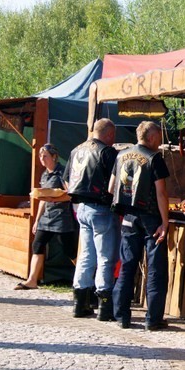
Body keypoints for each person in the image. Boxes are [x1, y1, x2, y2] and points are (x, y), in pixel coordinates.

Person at [110, 121, 170, 331]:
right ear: (152, 137)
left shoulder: (120, 156)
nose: (160, 142)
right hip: (151, 217)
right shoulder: (155, 158)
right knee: (155, 269)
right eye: (159, 138)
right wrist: (165, 221)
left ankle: (121, 316)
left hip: (128, 216)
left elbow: (111, 187)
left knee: (127, 266)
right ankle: (152, 320)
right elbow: (161, 193)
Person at [64, 118, 119, 320]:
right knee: (105, 257)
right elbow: (117, 182)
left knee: (86, 255)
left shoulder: (76, 149)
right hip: (102, 208)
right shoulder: (107, 152)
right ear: (109, 134)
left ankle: (80, 303)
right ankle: (104, 306)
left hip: (82, 208)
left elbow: (66, 178)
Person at [15, 144, 76, 290]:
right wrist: (37, 219)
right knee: (37, 245)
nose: (42, 159)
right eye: (40, 156)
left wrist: (54, 199)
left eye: (45, 156)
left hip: (62, 218)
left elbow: (71, 194)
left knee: (69, 250)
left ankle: (85, 281)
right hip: (46, 218)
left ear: (54, 157)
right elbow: (43, 198)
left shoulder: (62, 172)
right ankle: (32, 280)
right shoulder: (44, 174)